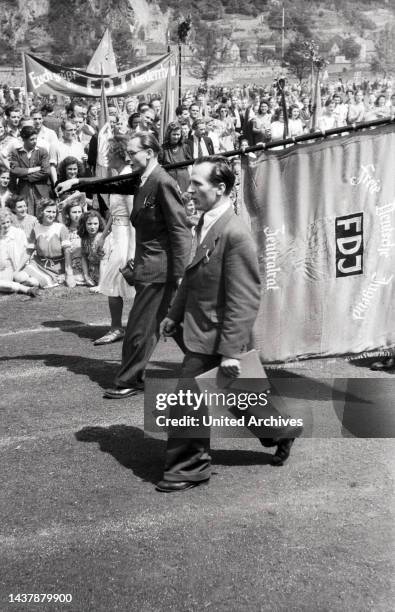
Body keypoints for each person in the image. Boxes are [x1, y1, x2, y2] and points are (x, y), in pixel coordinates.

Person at [157, 157, 302, 492]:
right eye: (190, 182)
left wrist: (231, 352)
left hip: (219, 334)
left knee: (185, 404)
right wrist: (173, 314)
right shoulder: (207, 222)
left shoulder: (235, 233)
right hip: (200, 327)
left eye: (197, 184)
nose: (188, 190)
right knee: (240, 395)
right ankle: (281, 430)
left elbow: (244, 298)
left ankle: (188, 468)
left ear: (220, 188)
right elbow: (193, 276)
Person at [56, 131, 192, 398]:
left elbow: (181, 231)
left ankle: (130, 379)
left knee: (140, 329)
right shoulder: (143, 179)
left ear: (149, 152)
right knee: (178, 327)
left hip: (160, 273)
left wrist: (179, 276)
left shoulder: (162, 182)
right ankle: (221, 364)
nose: (128, 157)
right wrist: (76, 182)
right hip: (149, 269)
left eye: (132, 153)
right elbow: (113, 183)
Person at [92, 137, 135, 345]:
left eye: (108, 151)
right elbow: (113, 213)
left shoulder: (128, 178)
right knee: (111, 282)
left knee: (130, 282)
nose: (105, 155)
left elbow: (134, 217)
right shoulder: (118, 177)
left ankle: (137, 327)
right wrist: (103, 235)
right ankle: (117, 327)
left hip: (127, 236)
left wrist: (132, 252)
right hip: (117, 234)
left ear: (119, 153)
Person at [24, 198, 74, 288]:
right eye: (49, 211)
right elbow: (28, 252)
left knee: (32, 282)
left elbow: (67, 252)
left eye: (54, 212)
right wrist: (17, 269)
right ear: (41, 211)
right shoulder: (36, 228)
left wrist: (69, 274)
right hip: (38, 264)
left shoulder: (61, 228)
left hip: (57, 267)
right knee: (19, 276)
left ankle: (39, 281)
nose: (52, 215)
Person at [9, 126, 51, 217]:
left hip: (41, 191)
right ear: (24, 139)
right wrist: (33, 169)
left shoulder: (42, 152)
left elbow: (46, 172)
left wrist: (26, 176)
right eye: (31, 139)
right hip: (24, 190)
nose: (35, 141)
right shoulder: (16, 152)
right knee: (26, 216)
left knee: (42, 215)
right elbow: (14, 171)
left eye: (36, 138)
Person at [0, 208, 39, 297]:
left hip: (11, 268)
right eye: (3, 223)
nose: (6, 225)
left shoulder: (18, 233)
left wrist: (18, 269)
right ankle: (26, 289)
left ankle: (23, 288)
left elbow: (25, 252)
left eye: (8, 222)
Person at [159, 122, 192, 193]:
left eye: (178, 134)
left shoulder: (185, 147)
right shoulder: (163, 148)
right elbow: (159, 166)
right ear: (169, 134)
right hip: (169, 180)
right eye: (174, 134)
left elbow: (189, 166)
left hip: (184, 179)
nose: (176, 137)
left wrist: (191, 180)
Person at [78, 210, 107, 291]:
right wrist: (86, 276)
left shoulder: (101, 238)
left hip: (105, 269)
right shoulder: (84, 238)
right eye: (89, 224)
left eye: (95, 224)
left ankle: (102, 283)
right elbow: (84, 257)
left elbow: (104, 261)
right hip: (93, 270)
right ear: (84, 224)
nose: (92, 227)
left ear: (99, 224)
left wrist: (100, 285)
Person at [61, 196, 85, 285]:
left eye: (79, 212)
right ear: (68, 214)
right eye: (74, 212)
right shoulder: (64, 230)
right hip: (70, 263)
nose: (77, 214)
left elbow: (82, 194)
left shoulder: (87, 228)